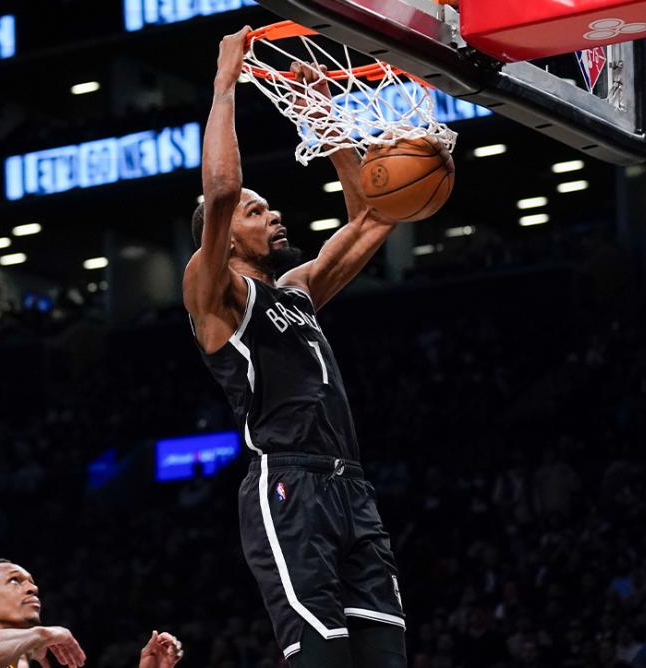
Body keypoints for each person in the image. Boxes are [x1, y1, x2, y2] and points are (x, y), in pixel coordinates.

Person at [182, 27, 407, 668]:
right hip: (287, 485)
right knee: (321, 659)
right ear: (224, 240)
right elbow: (221, 191)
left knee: (385, 657)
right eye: (259, 213)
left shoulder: (298, 290)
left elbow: (374, 217)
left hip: (351, 488)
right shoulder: (215, 296)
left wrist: (325, 118)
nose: (273, 215)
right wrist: (225, 85)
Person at [0, 558, 183, 668]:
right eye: (14, 580)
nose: (33, 588)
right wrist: (43, 634)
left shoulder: (23, 662)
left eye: (32, 581)